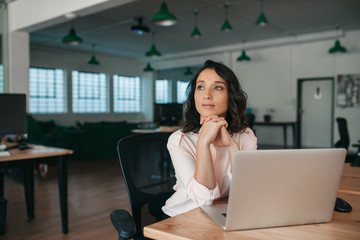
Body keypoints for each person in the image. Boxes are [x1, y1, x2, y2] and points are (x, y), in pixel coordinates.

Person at [162, 60, 257, 218]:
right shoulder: (179, 140)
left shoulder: (245, 135)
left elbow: (248, 190)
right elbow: (203, 199)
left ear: (231, 96)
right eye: (200, 87)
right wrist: (203, 144)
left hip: (223, 212)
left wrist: (232, 147)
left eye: (218, 87)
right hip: (181, 217)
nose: (206, 95)